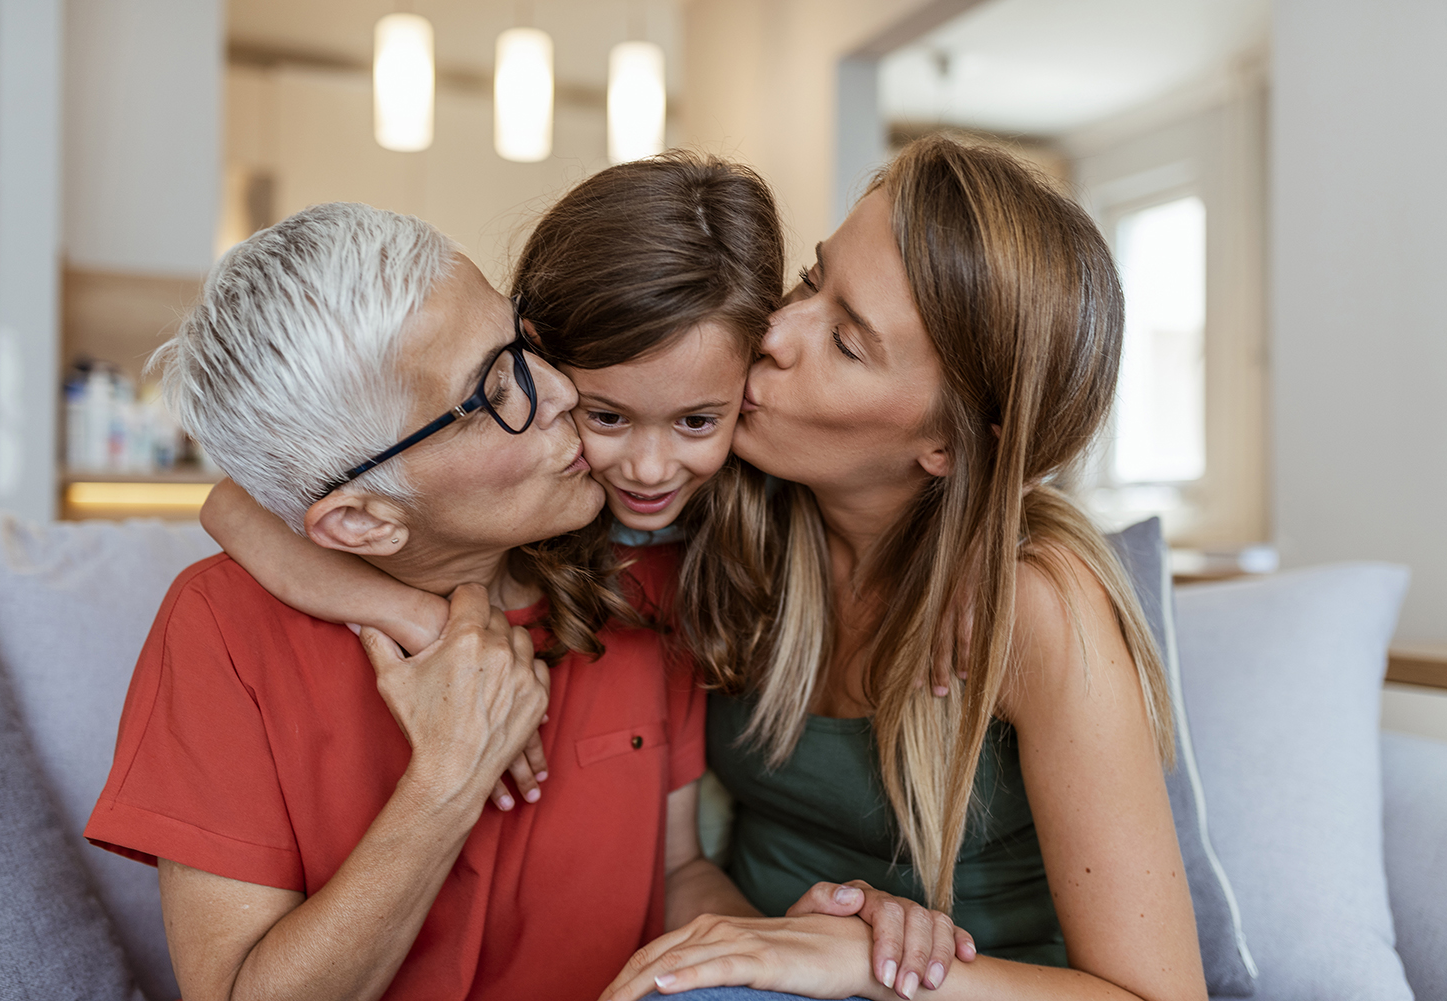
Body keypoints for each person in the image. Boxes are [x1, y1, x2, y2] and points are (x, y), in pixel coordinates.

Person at [603, 135, 1208, 1001]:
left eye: (846, 343)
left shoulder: (1032, 606)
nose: (771, 331)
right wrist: (758, 954)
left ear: (949, 444)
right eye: (812, 280)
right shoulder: (715, 499)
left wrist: (860, 964)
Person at [84, 201, 730, 1001]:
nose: (563, 390)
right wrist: (451, 776)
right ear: (361, 520)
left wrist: (804, 943)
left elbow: (678, 871)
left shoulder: (641, 574)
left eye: (523, 345)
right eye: (496, 392)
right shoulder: (221, 631)